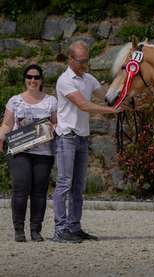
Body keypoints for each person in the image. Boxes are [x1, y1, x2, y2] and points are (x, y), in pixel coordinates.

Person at [52, 40, 121, 243]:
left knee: (78, 186)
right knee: (64, 183)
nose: (84, 64)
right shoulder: (65, 80)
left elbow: (106, 96)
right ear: (70, 59)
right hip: (67, 137)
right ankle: (60, 230)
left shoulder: (88, 78)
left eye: (87, 60)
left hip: (82, 137)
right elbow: (83, 105)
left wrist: (123, 96)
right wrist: (111, 110)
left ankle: (74, 227)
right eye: (81, 61)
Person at [0, 64, 57, 242]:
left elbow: (56, 123)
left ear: (41, 80)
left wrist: (51, 127)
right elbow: (7, 124)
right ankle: (18, 229)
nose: (33, 80)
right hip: (19, 150)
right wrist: (1, 135)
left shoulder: (51, 101)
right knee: (20, 188)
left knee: (39, 191)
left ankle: (35, 229)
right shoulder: (15, 100)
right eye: (29, 77)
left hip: (44, 152)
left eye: (36, 77)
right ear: (25, 79)